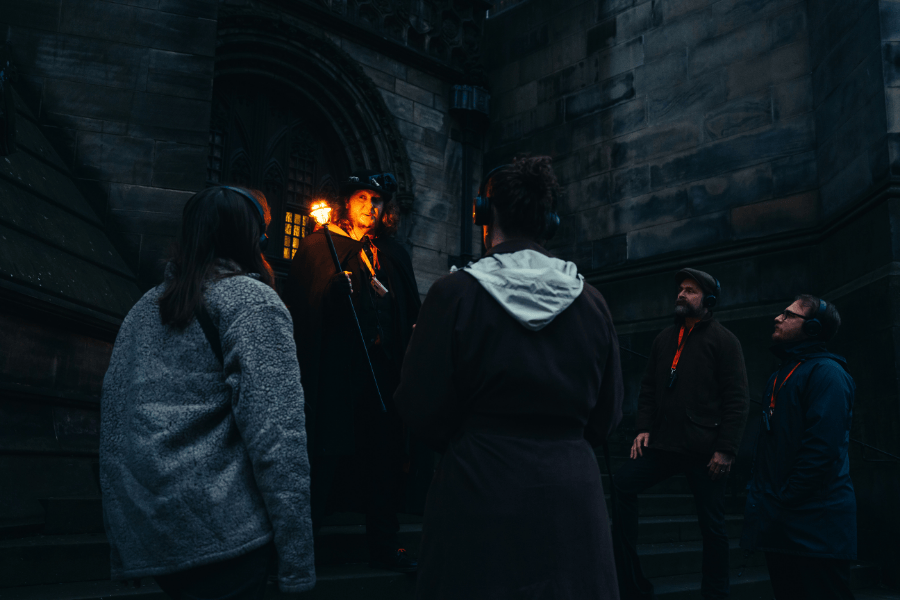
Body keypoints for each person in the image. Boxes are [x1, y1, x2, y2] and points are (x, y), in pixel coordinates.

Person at [394, 156, 624, 599]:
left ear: (484, 213)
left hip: (480, 492)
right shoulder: (592, 302)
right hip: (572, 501)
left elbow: (419, 407)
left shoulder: (454, 294)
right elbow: (607, 415)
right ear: (549, 221)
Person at [99, 186, 315, 599]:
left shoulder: (144, 307)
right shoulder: (252, 302)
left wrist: (128, 534)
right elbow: (278, 439)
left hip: (161, 534)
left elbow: (113, 425)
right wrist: (298, 565)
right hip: (229, 536)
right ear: (254, 237)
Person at [283, 170, 425, 572]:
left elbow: (409, 311)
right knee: (326, 454)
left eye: (377, 201)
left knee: (383, 457)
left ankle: (384, 544)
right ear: (348, 203)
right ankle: (303, 547)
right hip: (336, 375)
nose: (370, 206)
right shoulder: (319, 246)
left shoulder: (392, 253)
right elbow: (304, 309)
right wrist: (332, 291)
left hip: (383, 375)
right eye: (362, 198)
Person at [614, 268, 750, 599]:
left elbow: (737, 398)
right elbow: (647, 388)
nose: (681, 294)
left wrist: (726, 449)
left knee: (712, 527)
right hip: (663, 443)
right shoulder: (664, 338)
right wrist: (643, 428)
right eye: (680, 289)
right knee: (621, 485)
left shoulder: (724, 340)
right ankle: (630, 580)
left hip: (705, 451)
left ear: (709, 299)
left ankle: (715, 594)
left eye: (690, 290)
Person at [741, 296, 856, 600]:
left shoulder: (828, 374)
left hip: (816, 527)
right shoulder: (781, 375)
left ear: (813, 328)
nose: (777, 318)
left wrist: (784, 498)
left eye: (788, 315)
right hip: (784, 523)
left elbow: (821, 449)